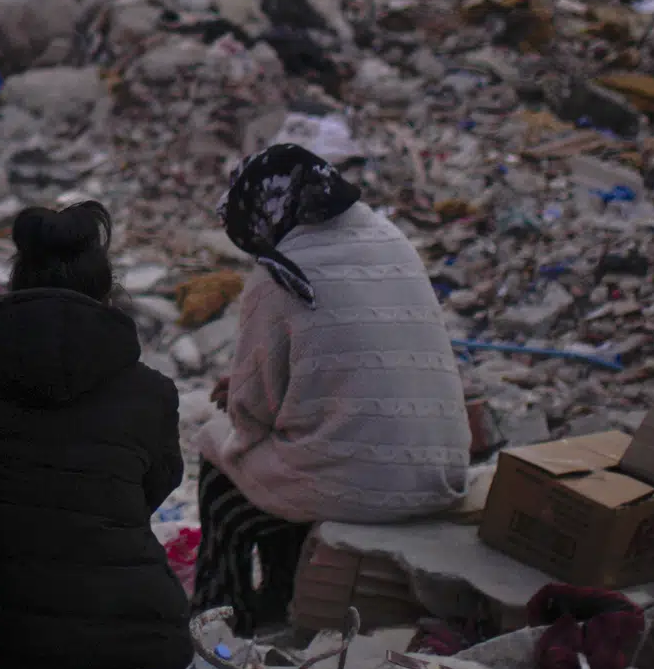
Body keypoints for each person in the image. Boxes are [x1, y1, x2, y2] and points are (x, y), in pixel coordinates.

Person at [194, 144, 469, 630]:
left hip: (360, 489)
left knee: (218, 452)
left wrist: (235, 392)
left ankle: (220, 614)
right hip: (441, 476)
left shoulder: (279, 274)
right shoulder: (392, 240)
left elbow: (250, 413)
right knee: (303, 444)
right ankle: (285, 587)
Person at [0, 202, 193, 669]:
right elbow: (150, 491)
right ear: (104, 289)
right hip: (121, 638)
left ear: (16, 282)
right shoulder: (151, 392)